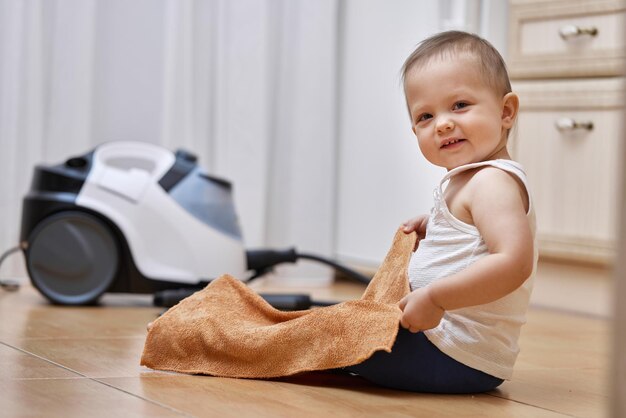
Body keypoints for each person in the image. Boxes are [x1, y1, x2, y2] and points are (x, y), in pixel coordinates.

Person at [344, 30, 537, 394]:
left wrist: (436, 298)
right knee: (343, 326)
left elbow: (514, 261)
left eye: (460, 105)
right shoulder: (471, 180)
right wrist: (436, 224)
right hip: (449, 349)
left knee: (336, 334)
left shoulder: (492, 183)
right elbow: (472, 237)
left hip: (453, 355)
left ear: (506, 111)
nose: (443, 123)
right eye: (426, 116)